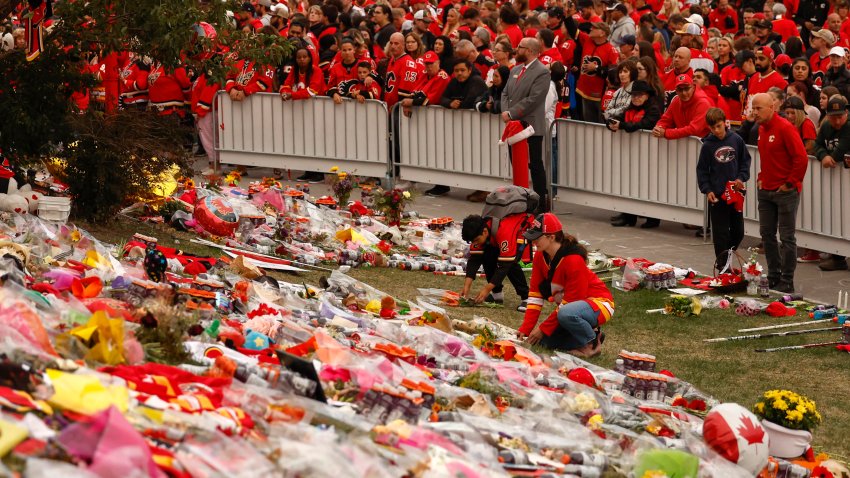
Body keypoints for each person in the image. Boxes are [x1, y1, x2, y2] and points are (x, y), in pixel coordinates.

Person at [518, 213, 614, 357]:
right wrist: (526, 329)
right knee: (542, 342)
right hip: (570, 307)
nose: (533, 242)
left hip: (598, 303)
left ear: (551, 237)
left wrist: (543, 328)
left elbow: (572, 300)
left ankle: (591, 344)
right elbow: (535, 295)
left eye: (537, 238)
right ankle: (593, 335)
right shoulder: (540, 256)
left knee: (565, 313)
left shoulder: (573, 259)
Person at [752, 92, 809, 293]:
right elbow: (767, 157)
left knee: (786, 237)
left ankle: (787, 279)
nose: (755, 112)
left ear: (772, 108)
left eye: (759, 108)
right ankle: (774, 275)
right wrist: (761, 177)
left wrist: (790, 183)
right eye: (753, 108)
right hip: (767, 189)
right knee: (767, 234)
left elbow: (801, 158)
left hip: (784, 191)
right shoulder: (761, 129)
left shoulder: (785, 127)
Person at [501, 37, 552, 213]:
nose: (516, 49)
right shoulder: (515, 69)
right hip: (514, 125)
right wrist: (507, 111)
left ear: (530, 51)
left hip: (530, 127)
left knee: (534, 164)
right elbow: (505, 93)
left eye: (520, 47)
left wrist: (511, 112)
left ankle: (540, 203)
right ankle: (520, 198)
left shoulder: (542, 72)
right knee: (516, 163)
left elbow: (534, 99)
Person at [696, 107, 751, 267]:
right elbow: (702, 170)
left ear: (725, 123)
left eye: (719, 126)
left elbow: (745, 161)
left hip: (734, 194)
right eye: (712, 128)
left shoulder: (736, 140)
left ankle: (727, 255)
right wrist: (707, 190)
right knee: (720, 234)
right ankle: (722, 266)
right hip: (718, 196)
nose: (716, 131)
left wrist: (741, 177)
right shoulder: (708, 145)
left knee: (738, 232)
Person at [460, 211, 533, 312]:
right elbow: (475, 259)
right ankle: (497, 295)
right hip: (500, 236)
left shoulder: (503, 232)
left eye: (476, 240)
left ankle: (527, 297)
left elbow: (505, 265)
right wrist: (466, 286)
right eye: (472, 241)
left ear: (485, 232)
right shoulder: (480, 230)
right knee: (486, 255)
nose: (475, 243)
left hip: (519, 233)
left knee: (511, 263)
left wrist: (487, 289)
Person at [812, 96, 850, 271]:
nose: (837, 120)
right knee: (836, 217)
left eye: (840, 116)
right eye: (833, 116)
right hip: (834, 181)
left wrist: (830, 157)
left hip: (844, 177)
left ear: (846, 113)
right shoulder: (826, 126)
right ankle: (838, 258)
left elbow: (842, 149)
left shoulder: (848, 127)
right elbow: (817, 145)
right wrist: (823, 155)